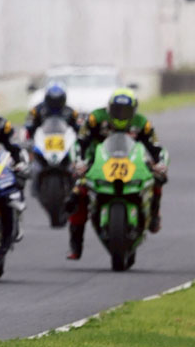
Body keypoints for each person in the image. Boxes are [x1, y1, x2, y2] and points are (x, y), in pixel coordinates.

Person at [65, 89, 169, 258]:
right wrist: (79, 162)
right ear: (109, 108)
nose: (121, 115)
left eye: (125, 111)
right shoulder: (95, 119)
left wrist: (161, 164)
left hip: (131, 162)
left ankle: (155, 214)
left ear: (134, 111)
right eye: (117, 110)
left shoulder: (142, 123)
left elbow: (157, 148)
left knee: (157, 179)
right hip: (97, 162)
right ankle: (76, 245)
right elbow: (79, 143)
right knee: (78, 195)